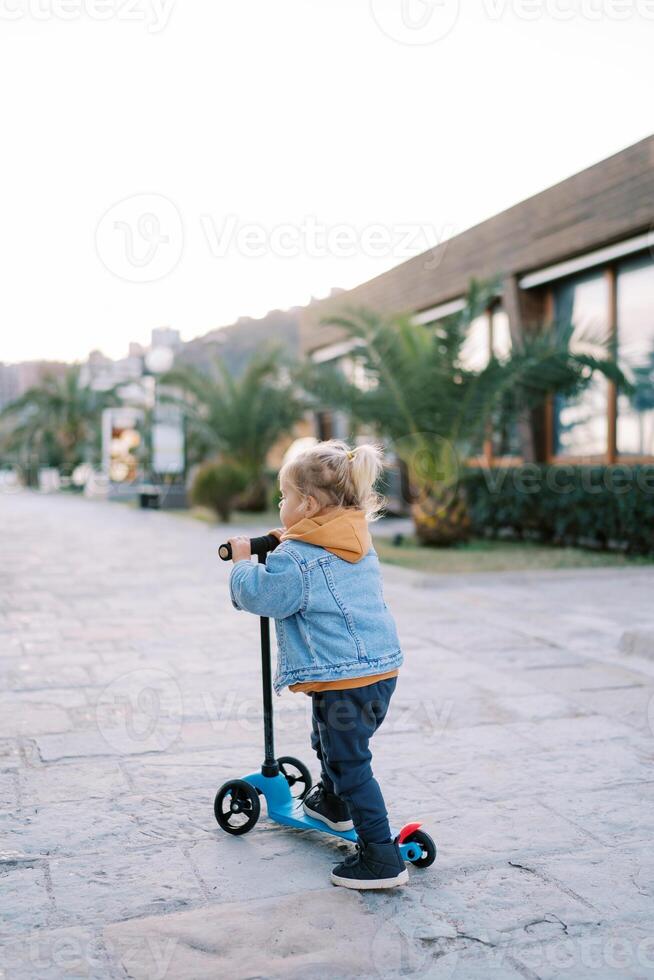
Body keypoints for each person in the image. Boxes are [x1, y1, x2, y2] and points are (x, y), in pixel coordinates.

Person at [227, 439, 407, 889]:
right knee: (328, 740)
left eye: (284, 497)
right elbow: (301, 541)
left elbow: (264, 596)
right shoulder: (353, 536)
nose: (281, 505)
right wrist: (279, 538)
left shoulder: (295, 558)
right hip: (378, 673)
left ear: (307, 503)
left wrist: (244, 563)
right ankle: (333, 803)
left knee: (350, 763)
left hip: (344, 678)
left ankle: (381, 859)